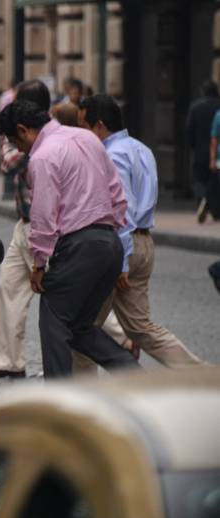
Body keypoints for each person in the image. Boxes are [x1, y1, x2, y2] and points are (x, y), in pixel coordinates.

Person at [0, 100, 138, 378]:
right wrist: (113, 232)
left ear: (23, 130)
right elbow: (116, 191)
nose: (20, 149)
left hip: (79, 246)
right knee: (79, 328)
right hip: (110, 243)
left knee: (54, 323)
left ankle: (59, 399)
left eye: (16, 142)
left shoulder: (43, 156)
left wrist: (39, 265)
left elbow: (43, 216)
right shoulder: (87, 137)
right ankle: (135, 375)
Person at [81, 95, 205, 368]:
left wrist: (122, 262)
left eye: (85, 127)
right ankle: (201, 373)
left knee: (82, 327)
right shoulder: (142, 149)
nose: (84, 135)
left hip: (119, 248)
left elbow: (122, 210)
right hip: (144, 242)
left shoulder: (111, 155)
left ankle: (79, 392)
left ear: (99, 126)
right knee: (141, 327)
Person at [0, 80, 51, 379]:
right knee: (8, 288)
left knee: (65, 292)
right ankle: (8, 362)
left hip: (44, 226)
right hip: (24, 224)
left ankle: (120, 336)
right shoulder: (22, 132)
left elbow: (11, 159)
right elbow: (9, 163)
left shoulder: (48, 134)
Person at [188, 81, 220, 223]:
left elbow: (189, 130)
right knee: (215, 182)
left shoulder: (195, 107)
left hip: (200, 151)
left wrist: (192, 146)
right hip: (218, 153)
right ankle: (213, 208)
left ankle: (203, 199)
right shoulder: (218, 108)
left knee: (199, 180)